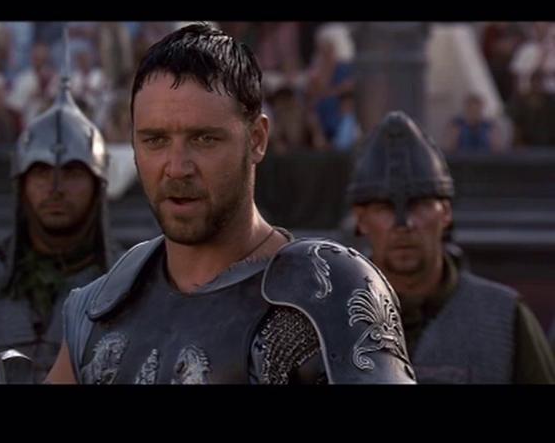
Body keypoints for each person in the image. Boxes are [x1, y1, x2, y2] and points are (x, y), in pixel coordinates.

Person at [46, 23, 416, 385]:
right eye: (155, 140)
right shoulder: (101, 307)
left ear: (257, 139)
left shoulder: (326, 294)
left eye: (204, 139)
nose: (177, 168)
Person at [0, 57, 122, 384]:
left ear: (97, 185)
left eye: (72, 172)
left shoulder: (131, 288)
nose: (55, 188)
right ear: (21, 184)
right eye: (41, 172)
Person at [348, 111, 555, 384]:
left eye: (419, 205)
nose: (404, 225)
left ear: (445, 213)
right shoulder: (329, 320)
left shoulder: (503, 317)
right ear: (361, 219)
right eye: (384, 207)